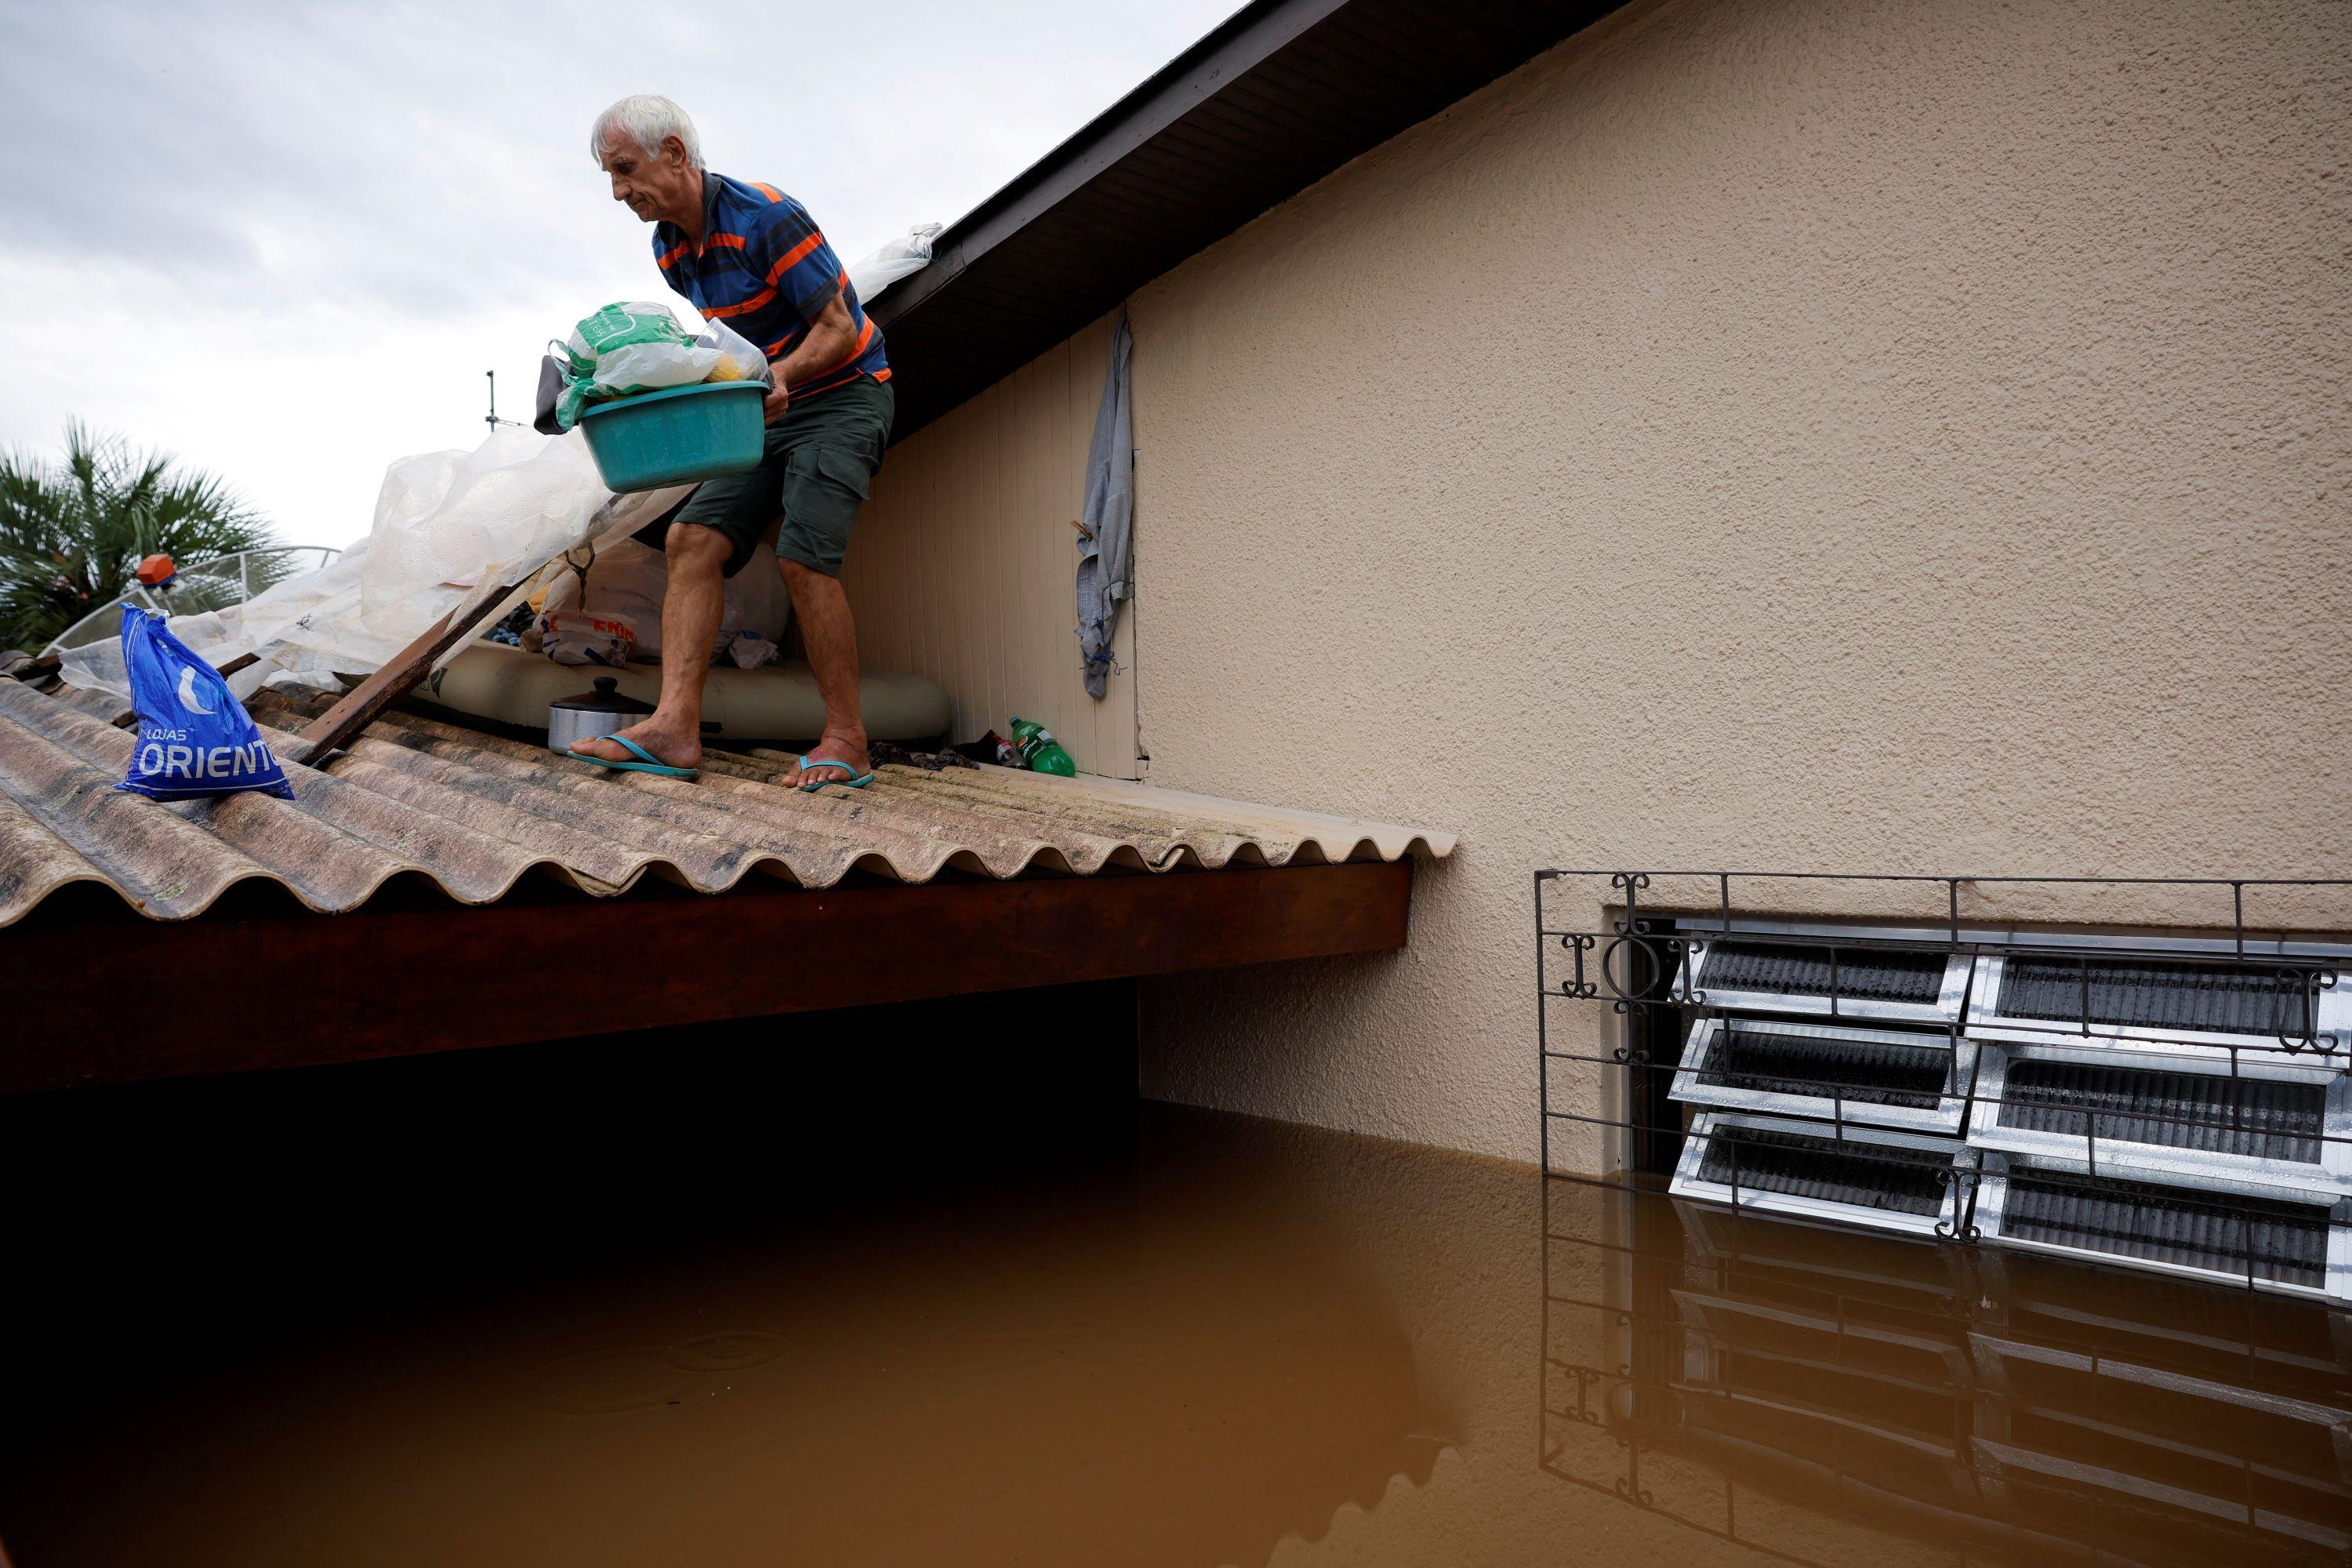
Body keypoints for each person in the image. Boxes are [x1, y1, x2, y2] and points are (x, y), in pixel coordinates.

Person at [569, 94, 891, 789]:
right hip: (764, 405)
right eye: (611, 177)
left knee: (804, 563)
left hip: (843, 395)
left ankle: (847, 740)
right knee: (692, 540)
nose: (620, 191)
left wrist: (777, 378)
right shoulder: (670, 247)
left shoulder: (767, 217)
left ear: (676, 155)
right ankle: (674, 729)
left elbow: (837, 328)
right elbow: (730, 347)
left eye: (625, 171)